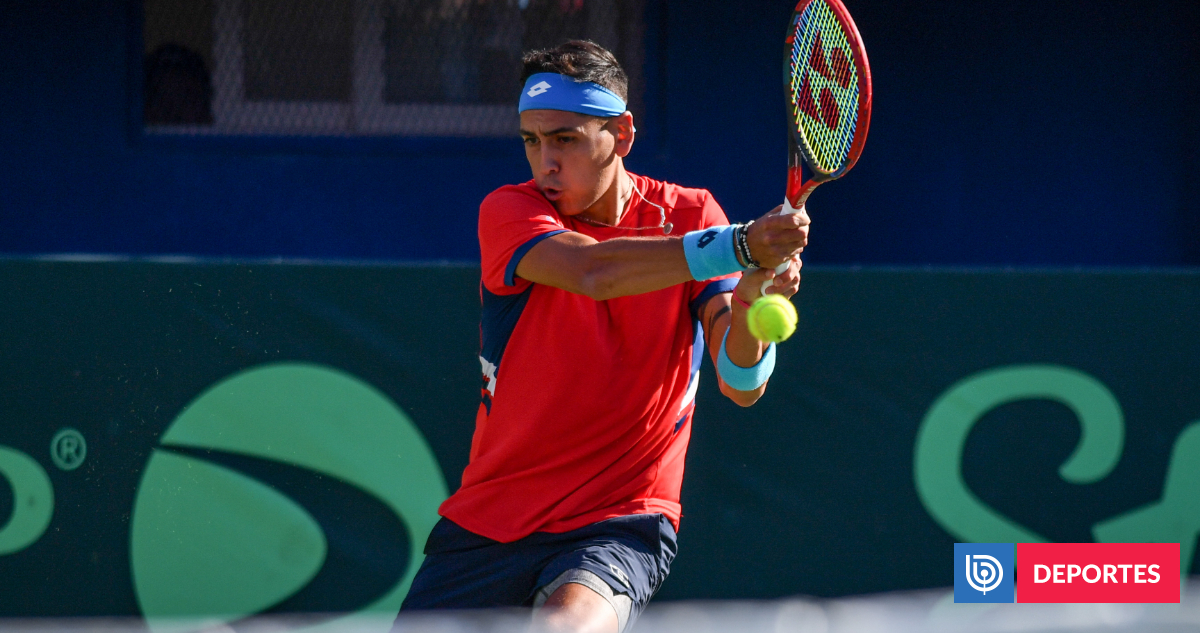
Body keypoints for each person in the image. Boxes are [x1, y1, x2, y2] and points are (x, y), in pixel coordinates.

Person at [397, 40, 810, 633]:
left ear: (621, 134)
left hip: (621, 519)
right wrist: (742, 245)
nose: (545, 163)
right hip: (491, 518)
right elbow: (595, 272)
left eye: (564, 138)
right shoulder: (509, 211)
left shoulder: (693, 215)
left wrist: (752, 294)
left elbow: (741, 381)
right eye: (531, 141)